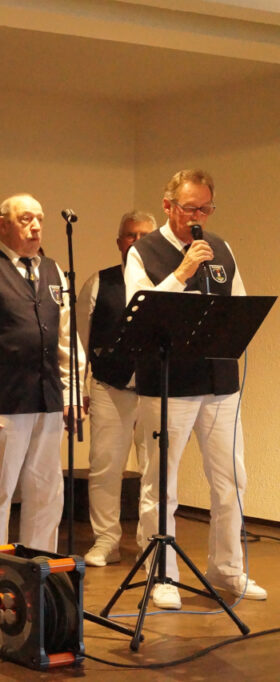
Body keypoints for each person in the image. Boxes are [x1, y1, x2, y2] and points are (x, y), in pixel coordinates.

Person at [124, 169, 265, 609]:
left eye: (206, 208)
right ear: (169, 207)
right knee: (160, 479)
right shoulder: (143, 252)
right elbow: (140, 311)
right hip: (168, 383)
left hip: (219, 382)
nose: (199, 217)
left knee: (231, 479)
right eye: (190, 208)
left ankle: (227, 568)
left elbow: (238, 306)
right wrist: (182, 272)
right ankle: (161, 572)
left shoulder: (221, 249)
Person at [0, 194, 83, 560]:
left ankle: (40, 572)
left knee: (46, 491)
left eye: (40, 219)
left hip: (48, 398)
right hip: (3, 400)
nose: (36, 226)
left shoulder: (54, 270)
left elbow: (67, 337)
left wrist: (72, 393)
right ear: (2, 225)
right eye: (26, 219)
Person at [78, 210, 156, 568]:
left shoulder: (170, 282)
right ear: (119, 242)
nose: (136, 242)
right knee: (105, 466)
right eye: (129, 236)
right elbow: (79, 341)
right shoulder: (98, 282)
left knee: (156, 469)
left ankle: (150, 542)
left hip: (156, 391)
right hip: (110, 387)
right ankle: (106, 539)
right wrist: (79, 389)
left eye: (144, 236)